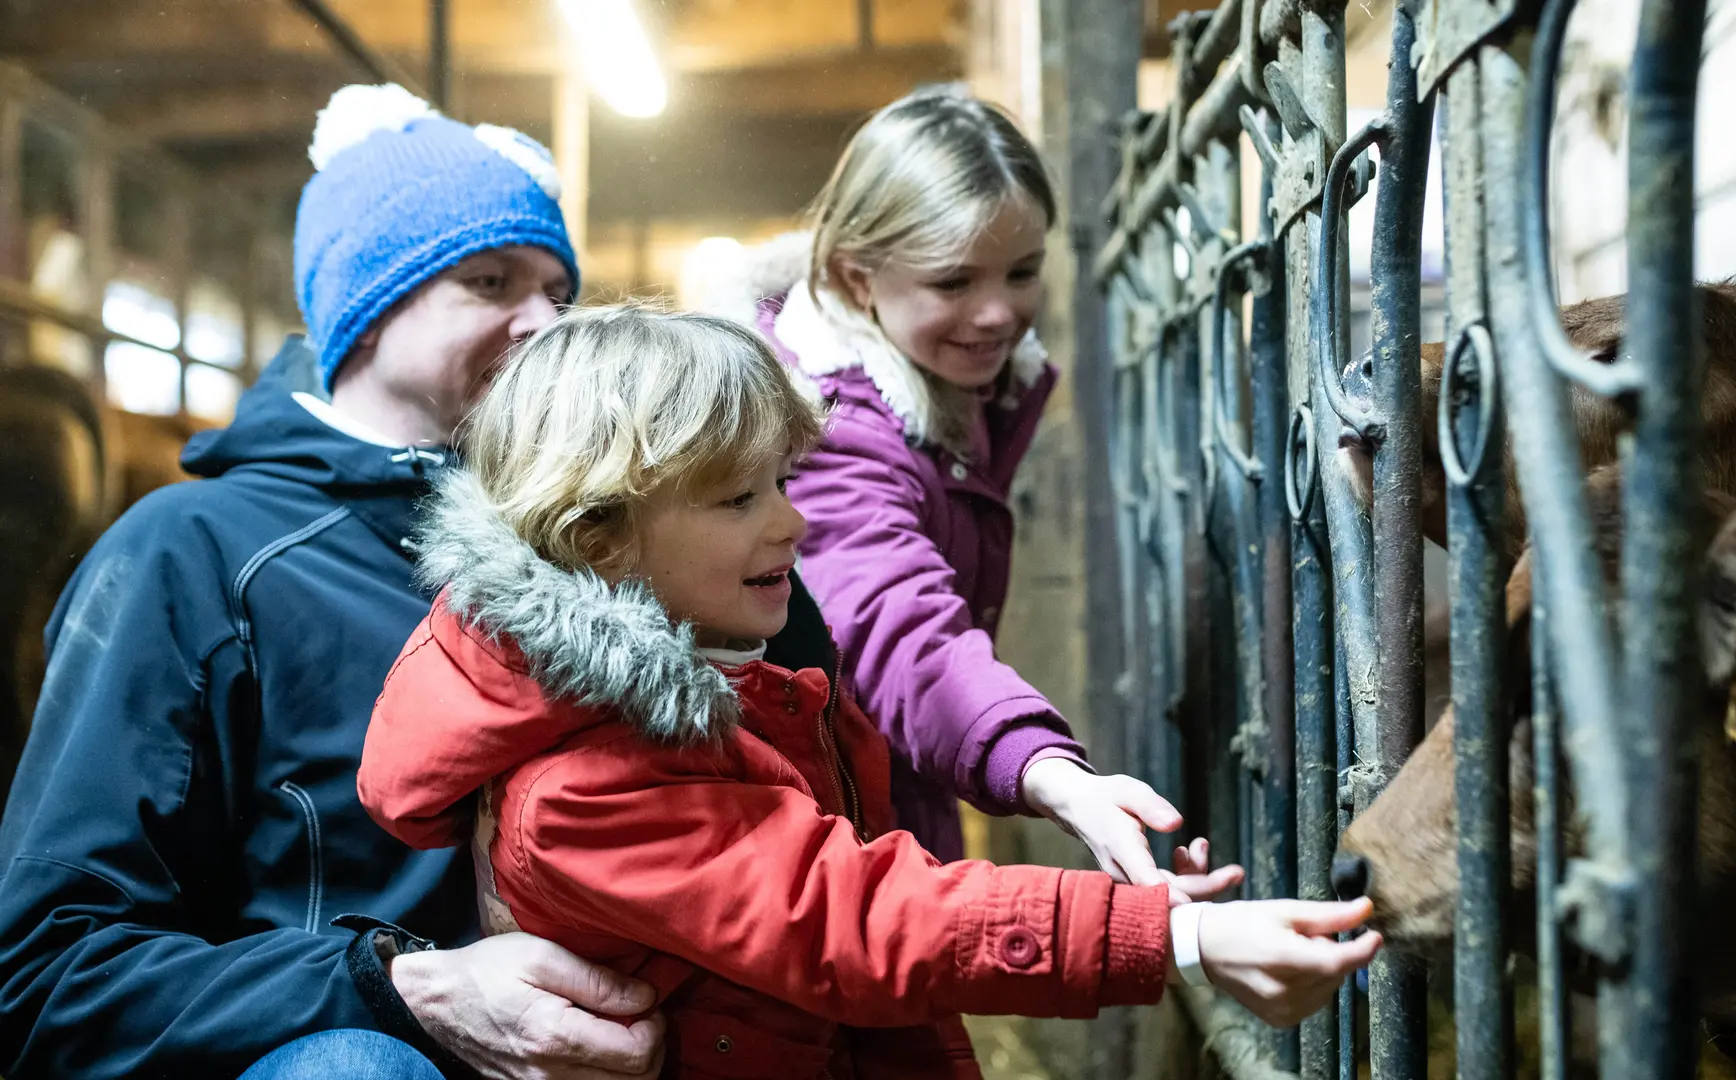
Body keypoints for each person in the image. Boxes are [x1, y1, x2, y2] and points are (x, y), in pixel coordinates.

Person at [356, 302, 1385, 1078]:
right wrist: (1167, 939)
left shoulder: (730, 677)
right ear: (602, 541)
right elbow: (855, 915)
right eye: (739, 496)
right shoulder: (589, 785)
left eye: (786, 481)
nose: (792, 525)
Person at [0, 84, 763, 1079]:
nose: (548, 328)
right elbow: (45, 972)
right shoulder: (193, 554)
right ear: (364, 315)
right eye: (491, 285)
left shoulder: (594, 542)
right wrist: (395, 987)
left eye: (558, 294)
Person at [705, 86, 1209, 887]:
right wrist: (1048, 771)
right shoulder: (826, 427)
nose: (999, 312)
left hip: (880, 790)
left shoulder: (941, 385)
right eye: (952, 282)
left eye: (1023, 271)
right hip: (821, 827)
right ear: (855, 276)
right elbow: (896, 629)